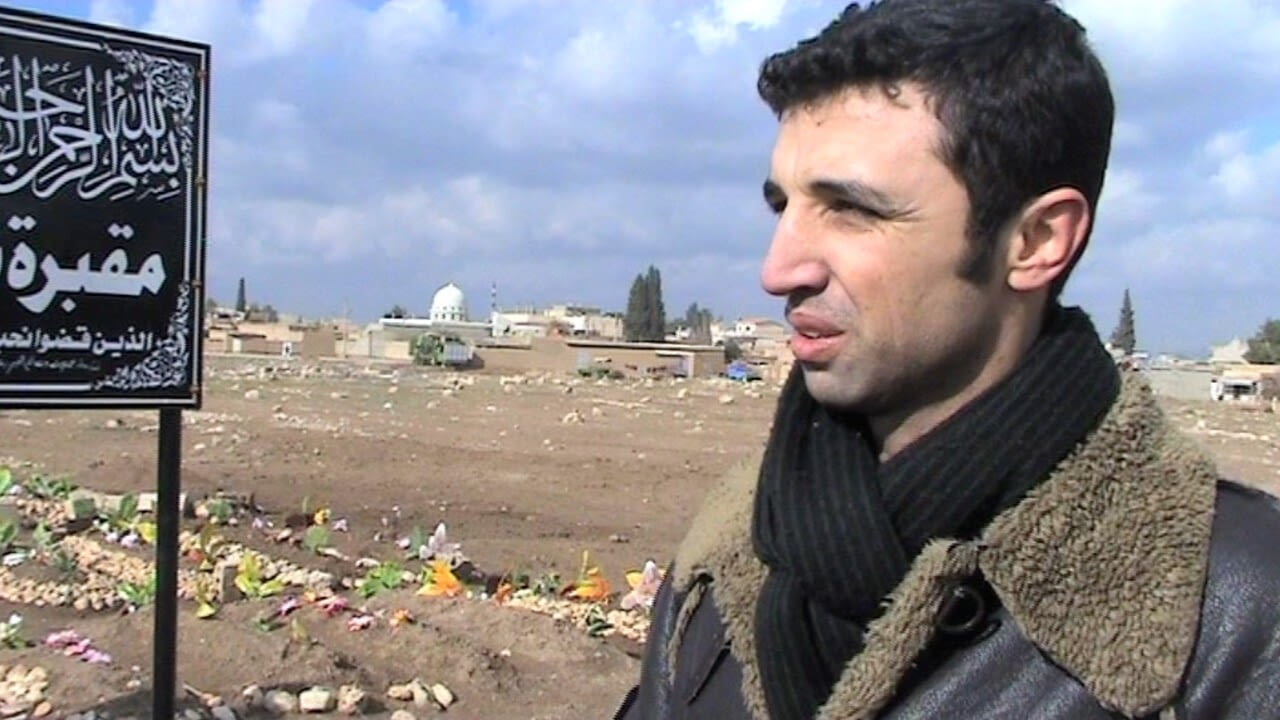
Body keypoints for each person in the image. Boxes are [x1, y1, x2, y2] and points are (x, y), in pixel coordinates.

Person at [615, 1, 1280, 718]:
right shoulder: (726, 547)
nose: (777, 271)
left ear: (1036, 241)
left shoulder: (1236, 617)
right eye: (785, 206)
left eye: (852, 209)